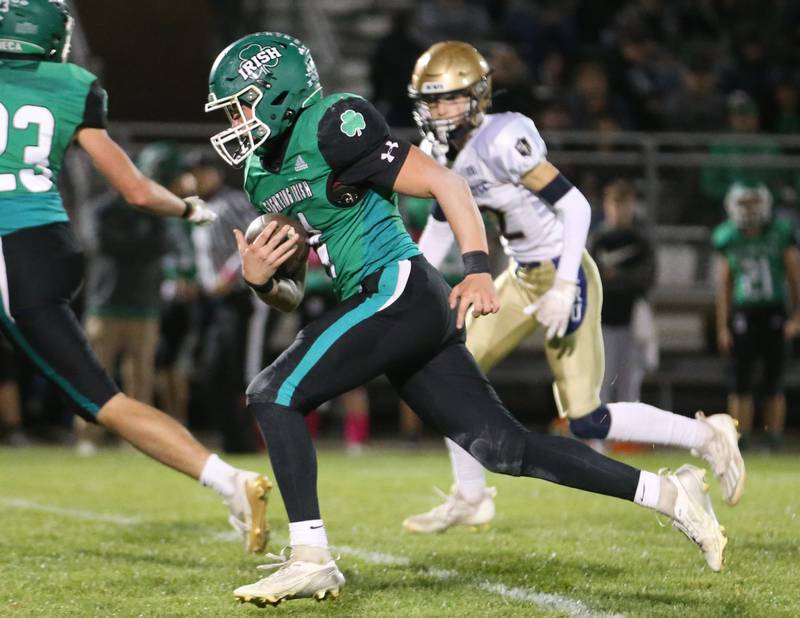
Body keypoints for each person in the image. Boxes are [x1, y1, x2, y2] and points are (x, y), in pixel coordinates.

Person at [206, 32, 728, 606]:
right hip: (383, 302)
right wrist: (262, 282)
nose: (236, 119)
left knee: (273, 393)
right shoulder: (261, 173)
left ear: (279, 92)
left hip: (398, 288)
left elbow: (445, 183)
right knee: (506, 449)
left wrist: (478, 267)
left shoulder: (335, 122)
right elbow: (290, 291)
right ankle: (670, 494)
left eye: (243, 103)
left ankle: (311, 557)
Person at [400, 42, 743, 535]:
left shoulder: (503, 138)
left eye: (448, 99)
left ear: (477, 96)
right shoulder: (439, 149)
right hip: (518, 277)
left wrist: (563, 285)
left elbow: (577, 206)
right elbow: (439, 223)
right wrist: (412, 283)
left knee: (586, 419)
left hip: (564, 270)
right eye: (431, 101)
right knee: (451, 371)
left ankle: (705, 435)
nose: (437, 111)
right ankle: (471, 496)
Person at [0, 0, 270, 553]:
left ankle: (229, 481)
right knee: (106, 397)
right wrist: (189, 209)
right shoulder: (75, 83)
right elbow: (138, 190)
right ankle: (229, 479)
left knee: (101, 400)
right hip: (48, 245)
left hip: (8, 249)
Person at [713, 183, 800, 451]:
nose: (748, 210)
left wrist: (797, 316)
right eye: (744, 204)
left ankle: (773, 441)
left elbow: (794, 277)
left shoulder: (779, 233)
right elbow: (724, 286)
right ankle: (740, 440)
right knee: (740, 383)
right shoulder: (728, 236)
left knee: (774, 382)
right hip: (743, 312)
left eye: (753, 203)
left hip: (773, 310)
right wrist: (723, 326)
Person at [590, 179, 657, 403]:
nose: (619, 210)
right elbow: (591, 278)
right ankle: (601, 436)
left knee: (630, 383)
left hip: (632, 319)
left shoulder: (639, 240)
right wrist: (621, 280)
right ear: (607, 206)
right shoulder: (599, 239)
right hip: (603, 319)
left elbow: (646, 278)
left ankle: (628, 437)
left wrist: (616, 277)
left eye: (624, 204)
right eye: (615, 204)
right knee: (603, 381)